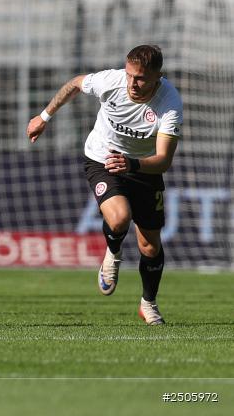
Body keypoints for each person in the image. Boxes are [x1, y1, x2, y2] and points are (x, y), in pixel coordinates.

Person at [26, 45, 182, 325]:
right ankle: (113, 252)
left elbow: (163, 160)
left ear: (158, 76)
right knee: (120, 218)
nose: (133, 83)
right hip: (103, 159)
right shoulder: (111, 81)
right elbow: (75, 84)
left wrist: (133, 164)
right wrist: (44, 117)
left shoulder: (169, 103)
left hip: (143, 169)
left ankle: (148, 303)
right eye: (130, 75)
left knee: (149, 246)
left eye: (141, 78)